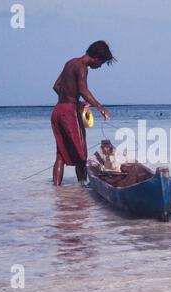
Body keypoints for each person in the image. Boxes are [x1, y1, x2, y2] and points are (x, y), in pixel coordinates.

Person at [51, 41, 116, 186]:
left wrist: (74, 101)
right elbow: (83, 90)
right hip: (69, 113)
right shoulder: (82, 68)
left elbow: (56, 86)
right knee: (81, 154)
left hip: (57, 111)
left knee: (61, 154)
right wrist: (99, 106)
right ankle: (83, 188)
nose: (99, 67)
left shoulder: (70, 63)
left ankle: (56, 191)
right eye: (101, 64)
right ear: (97, 58)